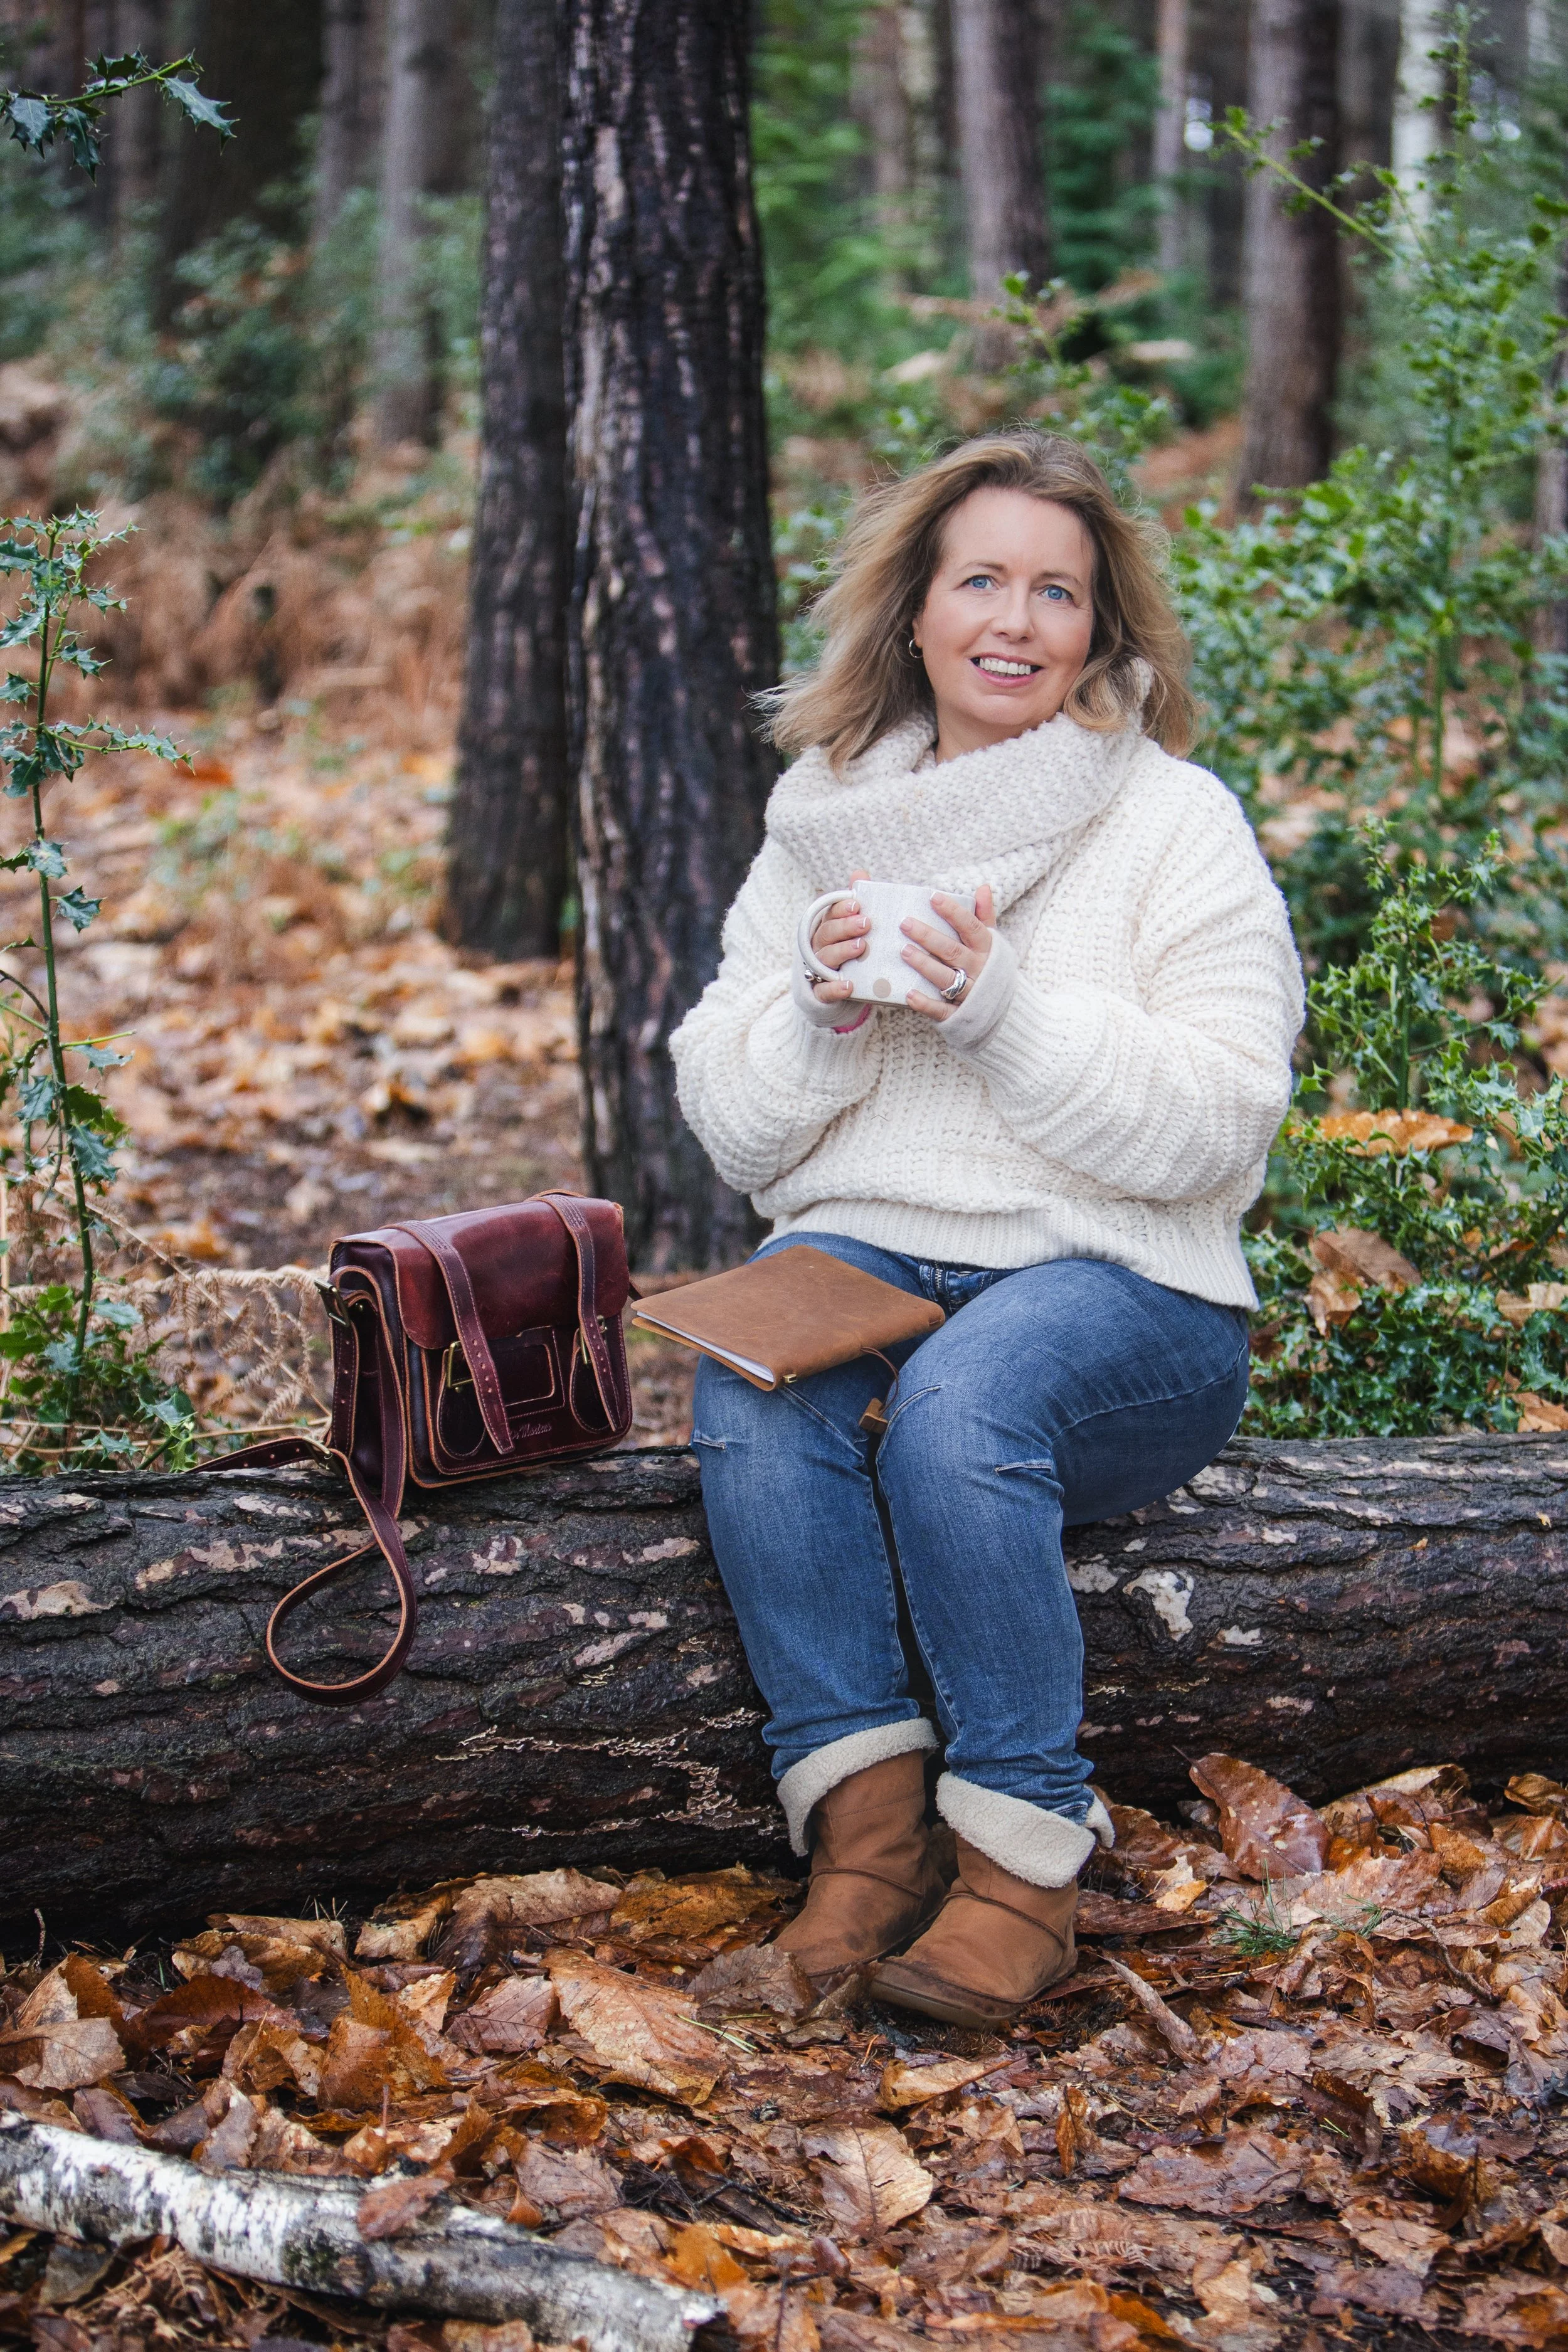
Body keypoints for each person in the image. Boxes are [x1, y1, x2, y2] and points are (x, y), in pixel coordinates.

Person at [669, 429, 1303, 2030]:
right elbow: (733, 1124)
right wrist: (818, 1013)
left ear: (1101, 630)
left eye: (1056, 591)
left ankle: (1024, 1866)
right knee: (745, 1380)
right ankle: (866, 1852)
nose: (1013, 622)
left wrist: (997, 1009)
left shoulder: (1171, 820)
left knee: (962, 1410)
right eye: (980, 582)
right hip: (869, 1252)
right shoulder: (821, 824)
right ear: (915, 611)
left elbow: (1223, 1120)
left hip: (1122, 1287)